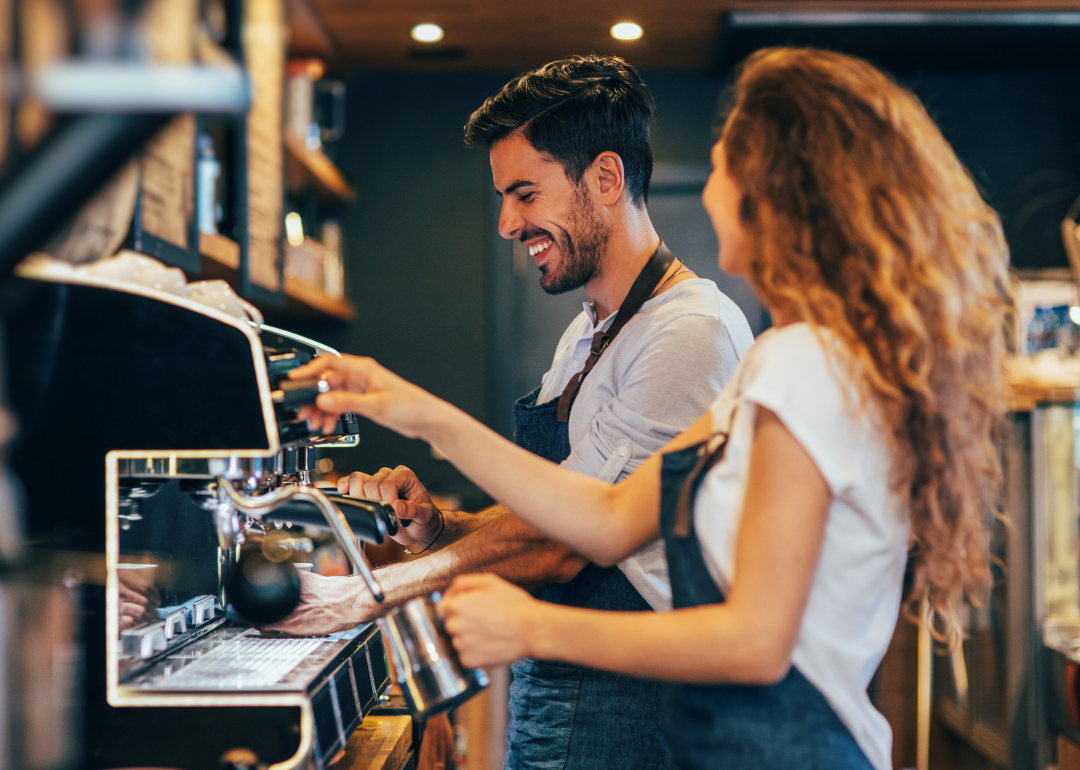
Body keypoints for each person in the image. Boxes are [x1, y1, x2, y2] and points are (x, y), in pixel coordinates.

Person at [289, 47, 1012, 769]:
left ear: (781, 189)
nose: (704, 189)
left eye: (723, 165)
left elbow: (756, 642)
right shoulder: (780, 360)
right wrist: (413, 411)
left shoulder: (801, 365)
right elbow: (604, 519)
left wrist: (531, 628)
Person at [267, 55, 754, 770]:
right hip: (566, 695)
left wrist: (362, 596)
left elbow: (570, 543)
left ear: (607, 179)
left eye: (524, 193)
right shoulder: (590, 330)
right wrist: (438, 530)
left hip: (634, 709)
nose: (505, 222)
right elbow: (554, 514)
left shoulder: (689, 333)